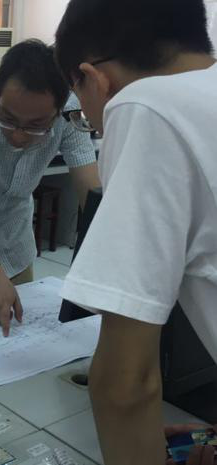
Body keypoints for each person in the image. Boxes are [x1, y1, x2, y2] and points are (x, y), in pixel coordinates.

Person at [54, 0, 217, 463]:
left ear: (93, 78)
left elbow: (126, 383)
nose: (93, 122)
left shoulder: (145, 104)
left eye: (83, 112)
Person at [0, 39, 100, 336]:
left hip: (12, 231)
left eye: (36, 125)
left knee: (18, 328)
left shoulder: (70, 116)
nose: (18, 136)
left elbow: (92, 199)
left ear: (58, 110)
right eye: (8, 120)